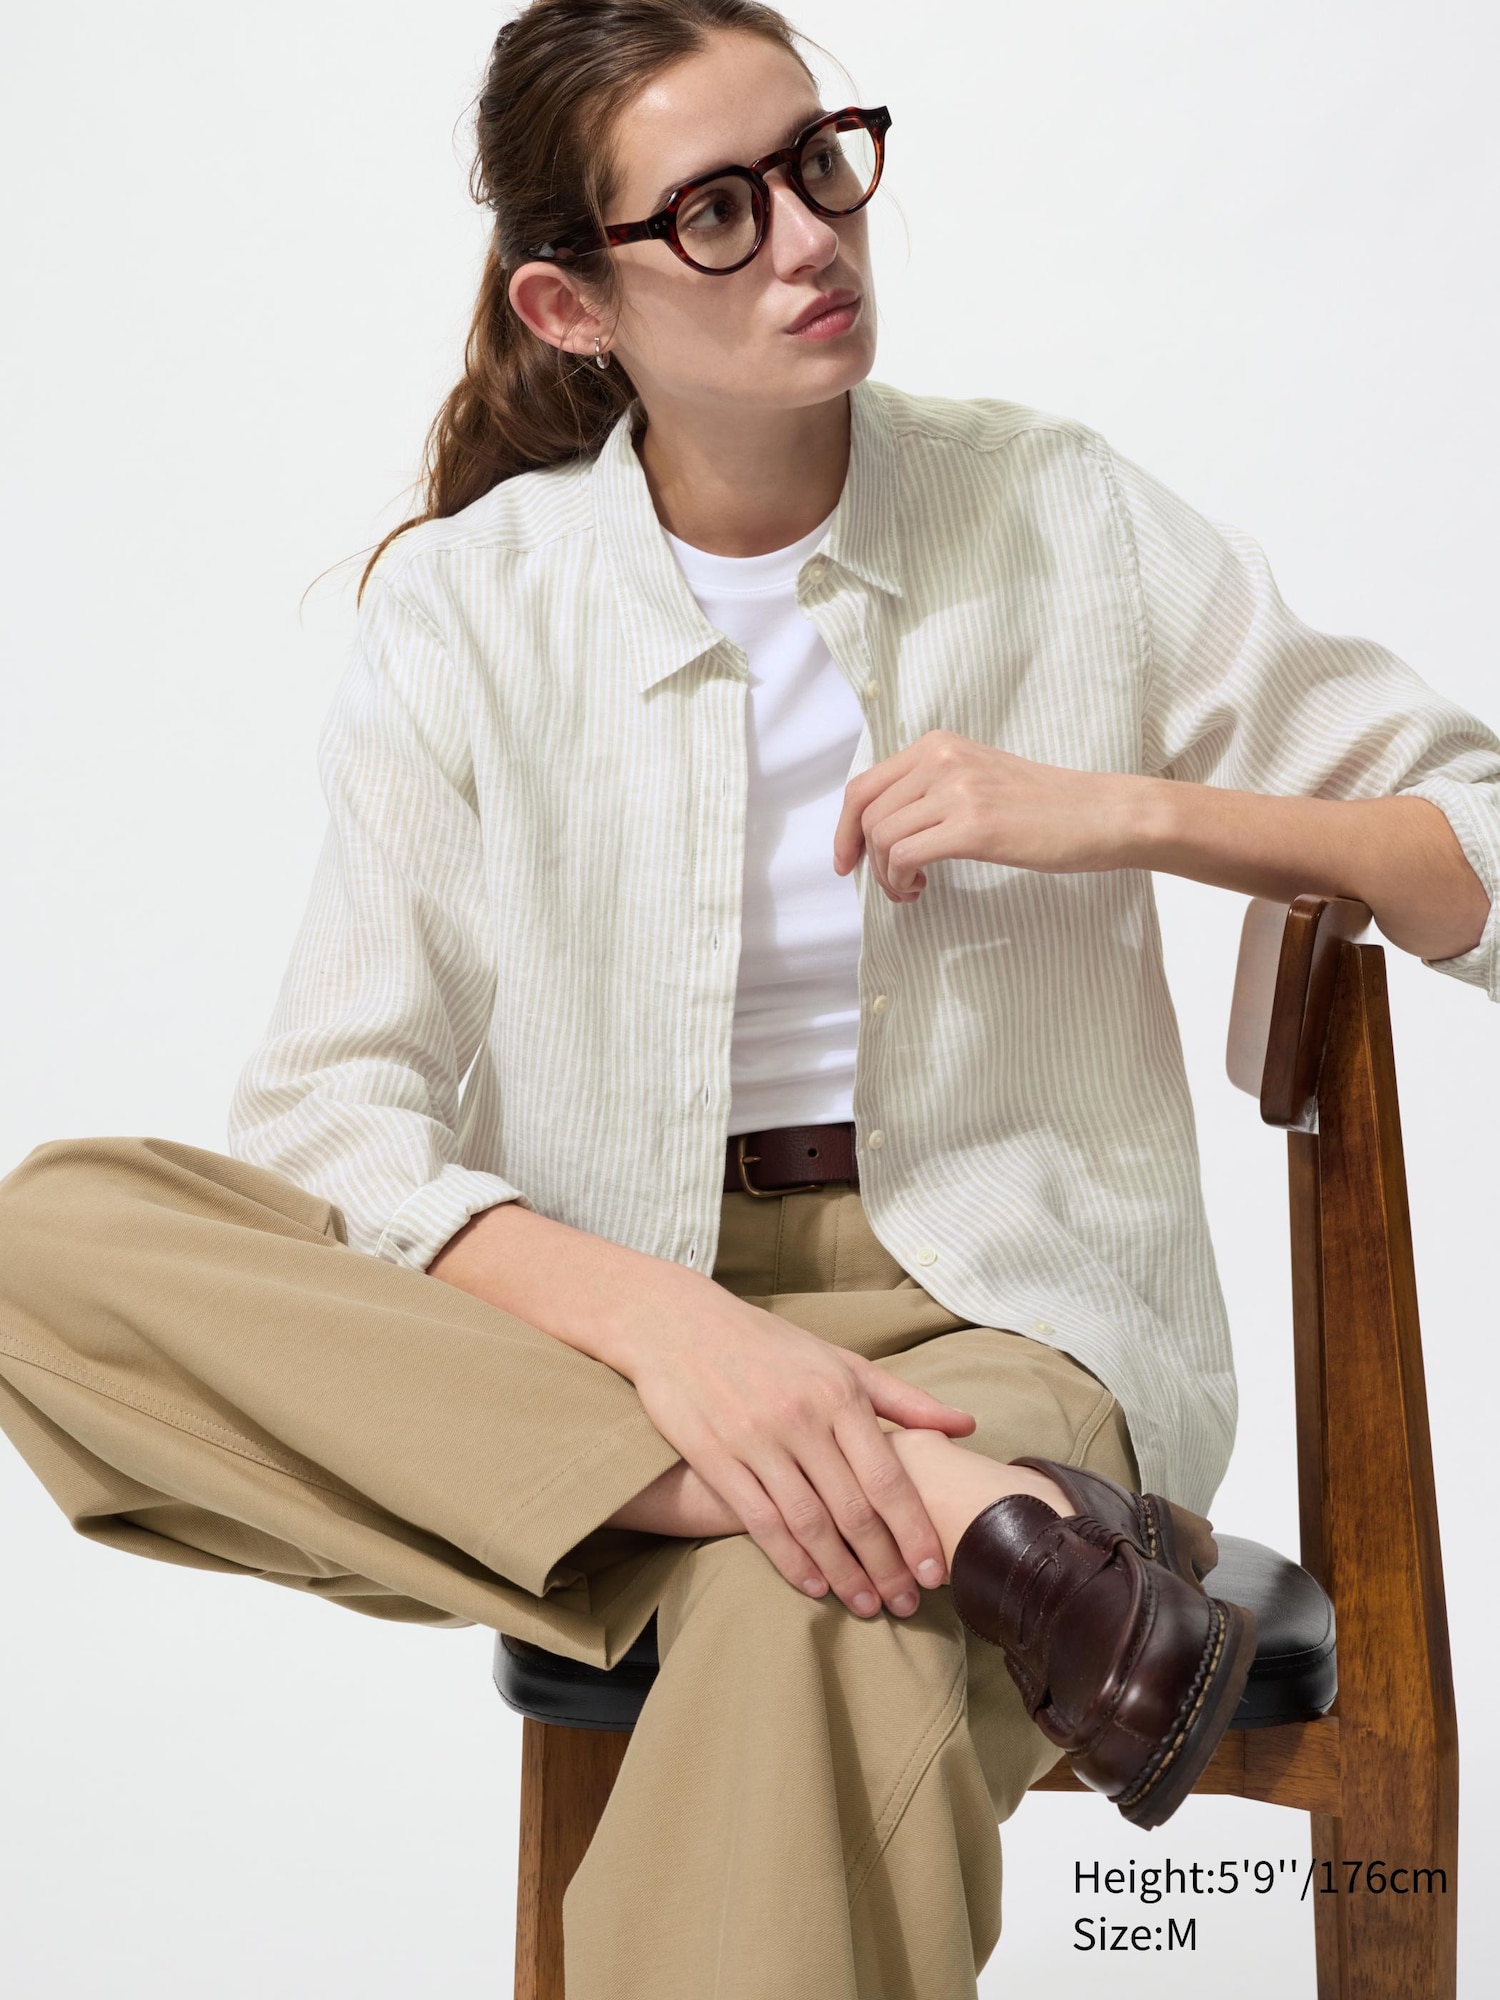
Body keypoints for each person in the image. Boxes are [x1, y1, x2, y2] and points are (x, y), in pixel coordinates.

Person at [1, 1, 1496, 1994]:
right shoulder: (472, 610)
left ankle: (904, 1489)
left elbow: (1480, 842)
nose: (809, 236)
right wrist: (681, 1343)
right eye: (715, 211)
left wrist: (1121, 812)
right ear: (571, 304)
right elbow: (333, 1124)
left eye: (817, 161)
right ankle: (969, 1525)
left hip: (1001, 1327)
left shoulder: (1059, 513)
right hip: (602, 1341)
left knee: (809, 1604)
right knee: (52, 1242)